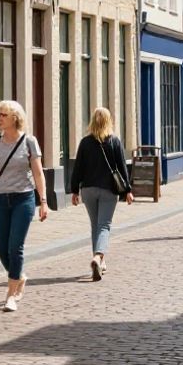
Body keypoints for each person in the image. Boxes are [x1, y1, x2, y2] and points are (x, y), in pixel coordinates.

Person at [0, 101, 48, 312]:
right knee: (1, 248)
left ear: (15, 118)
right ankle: (19, 277)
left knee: (15, 247)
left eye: (3, 115)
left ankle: (11, 294)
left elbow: (38, 173)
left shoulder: (29, 142)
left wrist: (43, 201)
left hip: (23, 199)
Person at [70, 107, 134, 281]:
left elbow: (78, 169)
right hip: (108, 190)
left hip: (88, 190)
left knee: (95, 225)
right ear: (109, 121)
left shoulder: (85, 143)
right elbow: (122, 167)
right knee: (104, 225)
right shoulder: (114, 142)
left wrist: (74, 190)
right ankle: (98, 257)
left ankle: (100, 261)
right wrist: (128, 190)